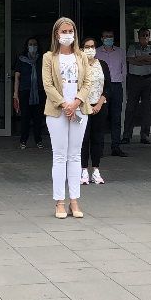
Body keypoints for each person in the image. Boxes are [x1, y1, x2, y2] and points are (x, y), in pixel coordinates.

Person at [43, 17, 94, 219]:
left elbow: (88, 82)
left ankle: (74, 200)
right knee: (60, 156)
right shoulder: (49, 57)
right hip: (57, 111)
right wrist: (64, 104)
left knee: (75, 156)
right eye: (63, 31)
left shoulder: (81, 56)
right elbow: (48, 85)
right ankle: (59, 202)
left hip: (79, 109)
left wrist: (76, 102)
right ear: (57, 34)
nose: (67, 35)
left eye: (70, 31)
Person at [79, 37, 111, 186]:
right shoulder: (78, 65)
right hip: (83, 107)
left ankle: (96, 170)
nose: (90, 49)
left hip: (99, 106)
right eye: (86, 47)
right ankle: (83, 170)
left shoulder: (102, 65)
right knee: (84, 139)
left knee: (98, 138)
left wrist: (99, 104)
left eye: (92, 47)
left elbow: (108, 86)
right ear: (81, 49)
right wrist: (86, 105)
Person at [124, 27, 151, 145]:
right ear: (138, 37)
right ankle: (127, 135)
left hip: (149, 80)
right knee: (131, 108)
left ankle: (144, 135)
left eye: (147, 35)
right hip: (135, 79)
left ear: (149, 37)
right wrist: (148, 59)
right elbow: (131, 60)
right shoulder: (132, 47)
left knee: (147, 108)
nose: (145, 37)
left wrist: (141, 59)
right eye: (142, 35)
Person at [96, 30, 128, 157]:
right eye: (106, 37)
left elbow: (124, 68)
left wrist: (120, 79)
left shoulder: (120, 52)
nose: (108, 38)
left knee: (116, 118)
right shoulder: (96, 52)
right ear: (102, 38)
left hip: (116, 85)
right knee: (101, 118)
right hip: (101, 87)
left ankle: (116, 147)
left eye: (110, 36)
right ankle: (99, 148)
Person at [13, 37, 46, 150]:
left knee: (38, 118)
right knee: (25, 117)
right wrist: (15, 94)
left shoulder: (42, 59)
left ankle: (38, 140)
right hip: (25, 92)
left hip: (39, 92)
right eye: (30, 44)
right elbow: (17, 77)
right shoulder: (21, 59)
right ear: (27, 46)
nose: (33, 46)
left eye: (35, 44)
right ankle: (23, 140)